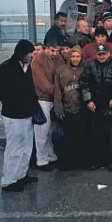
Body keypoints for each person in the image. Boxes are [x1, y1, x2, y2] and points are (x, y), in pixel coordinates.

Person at [0, 40, 40, 192]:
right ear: (22, 53)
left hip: (26, 113)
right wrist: (15, 102)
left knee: (27, 146)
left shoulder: (27, 67)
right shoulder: (5, 68)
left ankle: (21, 175)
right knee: (14, 147)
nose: (31, 55)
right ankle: (9, 180)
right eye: (29, 53)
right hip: (13, 115)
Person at [80, 44, 112, 171]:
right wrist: (88, 100)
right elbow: (84, 84)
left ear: (109, 54)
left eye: (104, 54)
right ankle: (97, 160)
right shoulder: (90, 65)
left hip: (111, 103)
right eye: (99, 54)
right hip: (95, 103)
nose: (102, 56)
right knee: (96, 133)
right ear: (96, 54)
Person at [53, 46, 86, 171]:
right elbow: (57, 91)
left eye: (78, 56)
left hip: (82, 108)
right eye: (73, 56)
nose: (75, 59)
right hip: (67, 108)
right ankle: (67, 162)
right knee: (68, 138)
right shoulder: (61, 70)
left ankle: (81, 162)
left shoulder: (85, 69)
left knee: (81, 136)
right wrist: (59, 108)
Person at [31, 42, 62, 171]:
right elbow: (42, 82)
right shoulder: (37, 61)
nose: (55, 53)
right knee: (42, 131)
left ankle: (49, 156)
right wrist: (58, 91)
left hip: (52, 98)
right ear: (46, 49)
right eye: (52, 50)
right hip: (42, 99)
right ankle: (42, 159)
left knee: (49, 130)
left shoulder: (57, 59)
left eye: (56, 51)